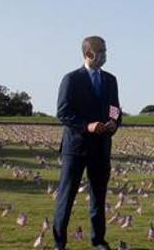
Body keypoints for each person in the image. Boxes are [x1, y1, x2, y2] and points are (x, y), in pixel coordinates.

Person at [53, 36, 122, 250]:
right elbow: (63, 113)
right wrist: (86, 126)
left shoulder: (110, 80)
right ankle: (60, 244)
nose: (104, 55)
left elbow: (115, 108)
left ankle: (98, 241)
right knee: (67, 196)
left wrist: (114, 122)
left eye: (105, 51)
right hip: (76, 149)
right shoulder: (71, 79)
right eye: (101, 51)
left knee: (98, 198)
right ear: (88, 53)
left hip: (101, 148)